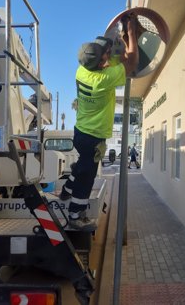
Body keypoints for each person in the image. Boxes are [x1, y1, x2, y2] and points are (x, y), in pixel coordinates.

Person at [59, 13, 140, 231]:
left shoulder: (83, 70)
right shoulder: (103, 80)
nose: (108, 54)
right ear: (102, 62)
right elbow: (131, 61)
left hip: (80, 133)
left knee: (82, 164)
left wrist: (116, 42)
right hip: (93, 136)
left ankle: (66, 190)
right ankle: (76, 214)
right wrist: (131, 34)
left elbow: (110, 59)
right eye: (106, 54)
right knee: (87, 175)